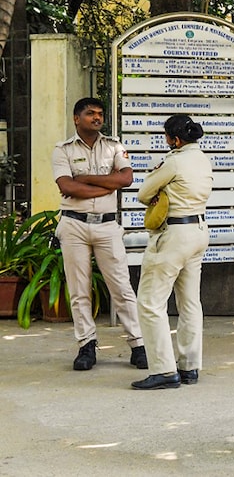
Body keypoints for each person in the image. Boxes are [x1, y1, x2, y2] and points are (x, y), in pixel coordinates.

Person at [52, 97, 147, 371]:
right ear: (76, 118)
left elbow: (126, 179)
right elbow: (66, 185)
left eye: (100, 114)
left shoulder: (114, 146)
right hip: (74, 226)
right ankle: (86, 345)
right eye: (90, 113)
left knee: (121, 287)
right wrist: (107, 185)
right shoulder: (63, 150)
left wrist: (83, 180)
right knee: (79, 290)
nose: (97, 118)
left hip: (107, 226)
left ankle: (138, 344)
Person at [131, 115, 213, 390]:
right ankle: (189, 366)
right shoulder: (202, 159)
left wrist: (158, 186)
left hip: (174, 235)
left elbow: (143, 194)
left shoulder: (174, 161)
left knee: (150, 302)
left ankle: (164, 370)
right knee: (190, 302)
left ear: (175, 139)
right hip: (199, 231)